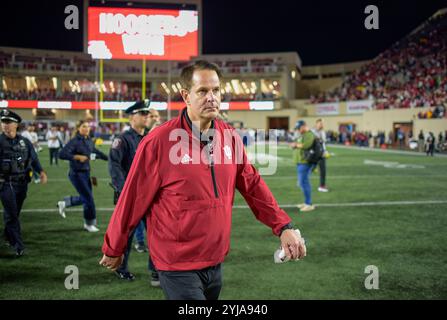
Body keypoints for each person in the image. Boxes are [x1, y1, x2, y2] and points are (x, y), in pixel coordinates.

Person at [99, 60, 306, 300]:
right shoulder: (159, 141)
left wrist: (283, 226)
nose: (211, 97)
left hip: (215, 261)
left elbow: (253, 186)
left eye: (216, 90)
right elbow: (132, 198)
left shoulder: (229, 136)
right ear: (186, 96)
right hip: (176, 264)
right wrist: (115, 246)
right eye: (203, 91)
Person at [108, 100, 159, 285]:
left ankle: (156, 271)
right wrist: (124, 191)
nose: (146, 117)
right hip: (131, 197)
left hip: (149, 195)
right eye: (142, 114)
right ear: (132, 117)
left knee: (156, 234)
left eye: (147, 114)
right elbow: (114, 166)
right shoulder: (122, 139)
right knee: (126, 236)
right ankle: (121, 268)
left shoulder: (149, 137)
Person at [0, 110, 48, 256]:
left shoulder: (24, 142)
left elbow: (33, 159)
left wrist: (41, 172)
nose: (5, 125)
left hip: (22, 183)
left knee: (14, 213)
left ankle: (8, 236)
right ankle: (18, 245)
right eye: (3, 122)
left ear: (16, 124)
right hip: (5, 183)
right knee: (12, 214)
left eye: (8, 122)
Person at [57, 120, 108, 232]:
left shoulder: (89, 140)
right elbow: (61, 154)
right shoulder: (74, 141)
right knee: (89, 199)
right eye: (84, 126)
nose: (86, 128)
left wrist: (109, 158)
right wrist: (77, 157)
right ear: (78, 128)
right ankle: (89, 224)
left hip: (86, 172)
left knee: (86, 198)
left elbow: (95, 151)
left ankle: (66, 202)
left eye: (88, 127)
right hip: (76, 174)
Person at [291, 120, 315, 212]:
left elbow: (306, 145)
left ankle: (309, 204)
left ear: (304, 126)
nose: (298, 130)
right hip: (301, 162)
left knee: (304, 183)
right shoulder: (304, 135)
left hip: (305, 162)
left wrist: (295, 145)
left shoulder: (309, 134)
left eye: (299, 128)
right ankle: (306, 202)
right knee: (303, 182)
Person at [311, 119, 329, 192]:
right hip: (314, 153)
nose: (321, 125)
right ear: (316, 124)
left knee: (323, 170)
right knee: (307, 169)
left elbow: (323, 143)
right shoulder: (312, 132)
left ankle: (322, 185)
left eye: (322, 124)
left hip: (321, 153)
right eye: (320, 123)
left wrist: (325, 151)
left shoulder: (322, 132)